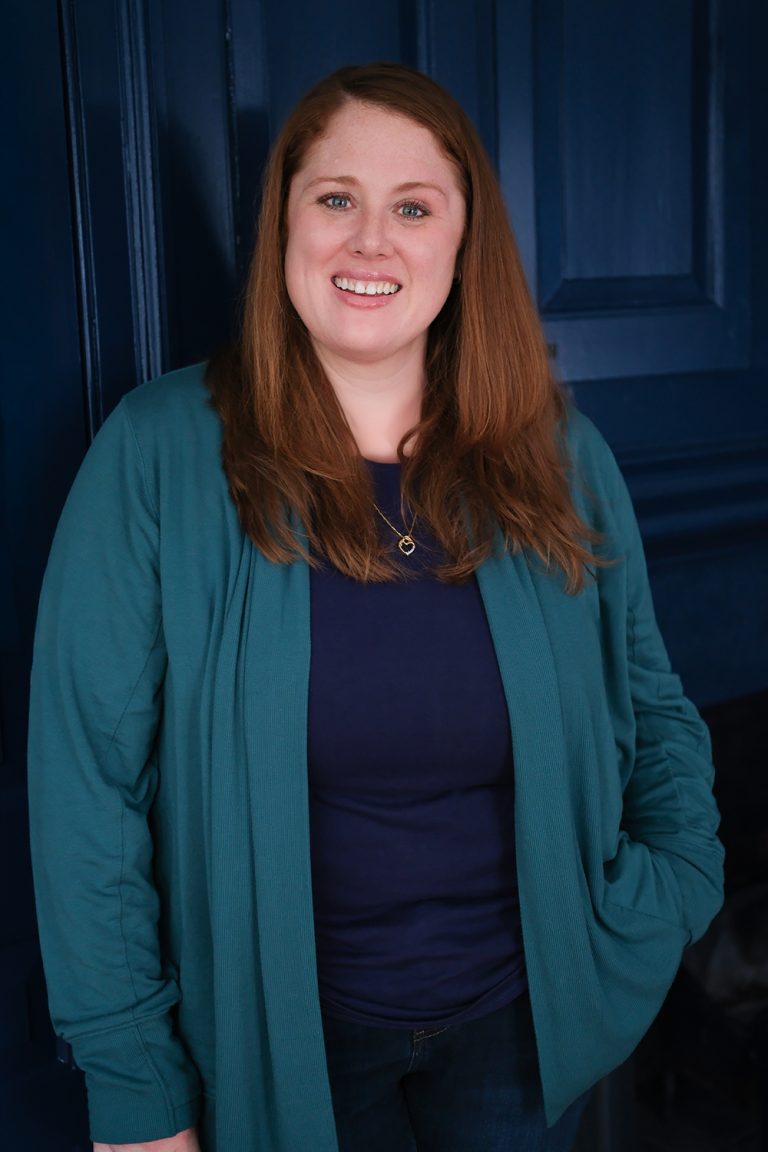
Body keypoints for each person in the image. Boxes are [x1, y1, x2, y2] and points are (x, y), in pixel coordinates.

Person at [28, 62, 724, 1152]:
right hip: (279, 1052)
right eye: (336, 197)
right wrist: (134, 1084)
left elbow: (653, 704)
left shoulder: (560, 458)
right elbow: (88, 789)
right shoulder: (157, 454)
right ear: (286, 222)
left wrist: (676, 885)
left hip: (520, 1033)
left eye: (413, 208)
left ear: (463, 241)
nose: (370, 242)